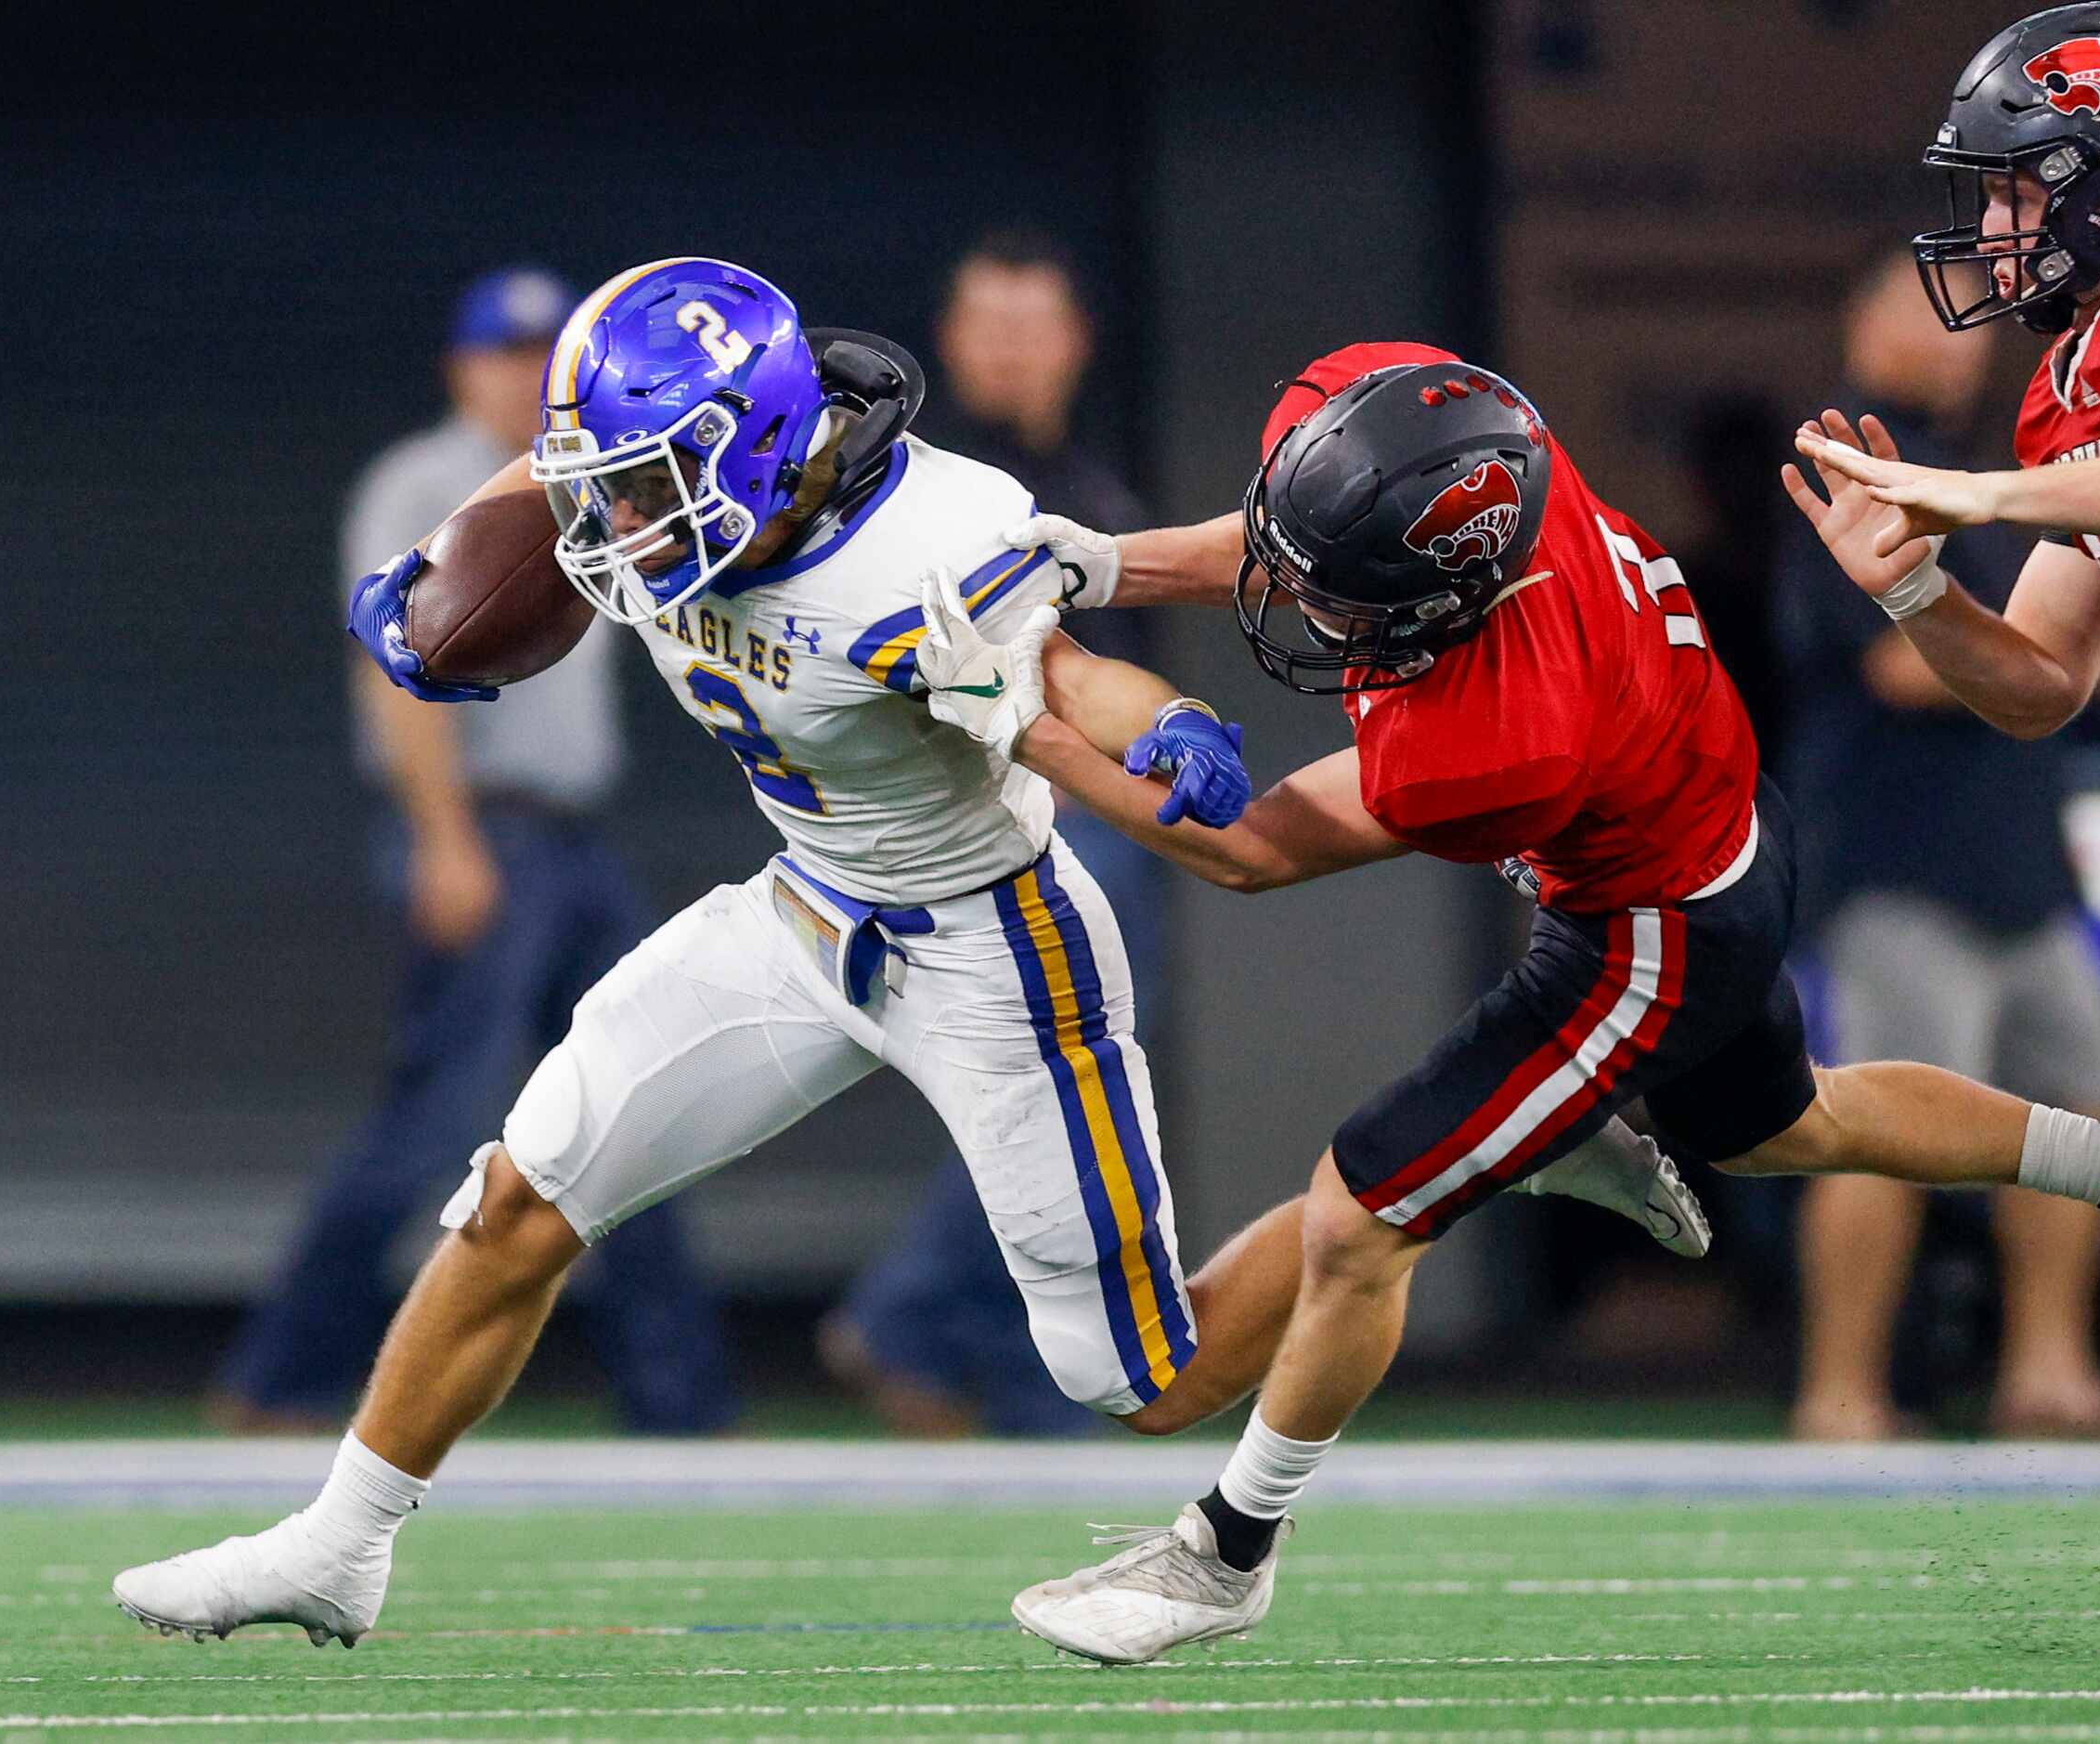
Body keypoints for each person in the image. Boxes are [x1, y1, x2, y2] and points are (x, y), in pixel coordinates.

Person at [112, 257, 1690, 1650]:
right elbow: (542, 496)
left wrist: (1183, 726)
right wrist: (446, 576)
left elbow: (1075, 676)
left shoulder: (938, 539)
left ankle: (1508, 1153)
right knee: (520, 1191)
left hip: (996, 947)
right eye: (608, 483)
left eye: (647, 486)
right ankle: (337, 1545)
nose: (614, 523)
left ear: (753, 450)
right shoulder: (642, 478)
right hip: (799, 909)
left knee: (1143, 1379)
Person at [920, 338, 2100, 1665]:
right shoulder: (1449, 430)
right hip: (1723, 838)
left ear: (1448, 599)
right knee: (1791, 1125)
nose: (1320, 616)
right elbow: (1299, 538)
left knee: (1362, 1211)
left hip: (1646, 935)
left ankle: (1228, 1550)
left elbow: (1253, 848)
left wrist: (1012, 718)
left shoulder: (1498, 736)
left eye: (1358, 606)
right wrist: (1108, 563)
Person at [1777, 4, 2100, 1373]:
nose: (1990, 227)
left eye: (2013, 186)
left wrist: (1984, 491)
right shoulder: (2072, 385)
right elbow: (2038, 677)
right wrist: (1921, 591)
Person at [212, 267, 737, 1438]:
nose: (520, 371)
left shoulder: (597, 477)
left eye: (541, 352)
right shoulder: (424, 480)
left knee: (638, 1105)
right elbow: (390, 667)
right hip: (481, 827)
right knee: (437, 1114)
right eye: (503, 352)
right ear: (461, 367)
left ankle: (680, 1404)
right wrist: (445, 840)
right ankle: (281, 1377)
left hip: (575, 841)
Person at [1777, 251, 2100, 1442]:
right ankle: (1840, 1394)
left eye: (1964, 316)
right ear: (1857, 317)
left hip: (2022, 867)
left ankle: (2048, 1373)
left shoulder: (2009, 477)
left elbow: (2075, 647)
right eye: (1916, 308)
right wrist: (2050, 648)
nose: (1950, 336)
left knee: (2085, 1106)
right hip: (1900, 867)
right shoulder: (1842, 468)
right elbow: (1901, 665)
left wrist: (2068, 646)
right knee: (1885, 1125)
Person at [821, 231, 1162, 1437]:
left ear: (1075, 340)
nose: (1013, 349)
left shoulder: (1087, 476)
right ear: (951, 343)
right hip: (1003, 818)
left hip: (1100, 809)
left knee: (1057, 1091)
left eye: (1035, 324)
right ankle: (913, 1314)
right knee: (1067, 1088)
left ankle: (1023, 1374)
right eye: (989, 325)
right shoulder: (921, 485)